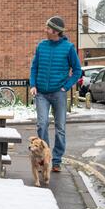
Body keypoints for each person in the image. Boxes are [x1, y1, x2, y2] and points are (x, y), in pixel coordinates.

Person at [29, 16, 82, 172]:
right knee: (42, 124)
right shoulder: (41, 46)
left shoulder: (68, 48)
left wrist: (66, 87)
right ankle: (44, 156)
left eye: (47, 28)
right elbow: (34, 67)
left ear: (55, 31)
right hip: (42, 94)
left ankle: (56, 160)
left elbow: (77, 71)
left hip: (59, 93)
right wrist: (33, 84)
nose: (45, 30)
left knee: (60, 128)